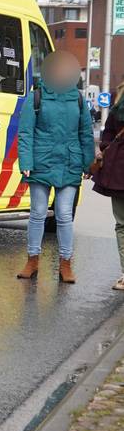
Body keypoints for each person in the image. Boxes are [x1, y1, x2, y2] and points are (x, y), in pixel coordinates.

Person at [17, 50, 94, 284]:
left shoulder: (79, 99)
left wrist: (88, 161)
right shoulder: (36, 97)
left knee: (63, 215)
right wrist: (26, 162)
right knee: (38, 214)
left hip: (70, 162)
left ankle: (66, 264)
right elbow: (26, 132)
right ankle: (32, 261)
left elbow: (86, 133)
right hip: (41, 162)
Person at [92, 87, 124, 290]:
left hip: (118, 173)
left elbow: (108, 134)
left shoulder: (119, 105)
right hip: (118, 172)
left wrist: (106, 148)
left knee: (122, 224)